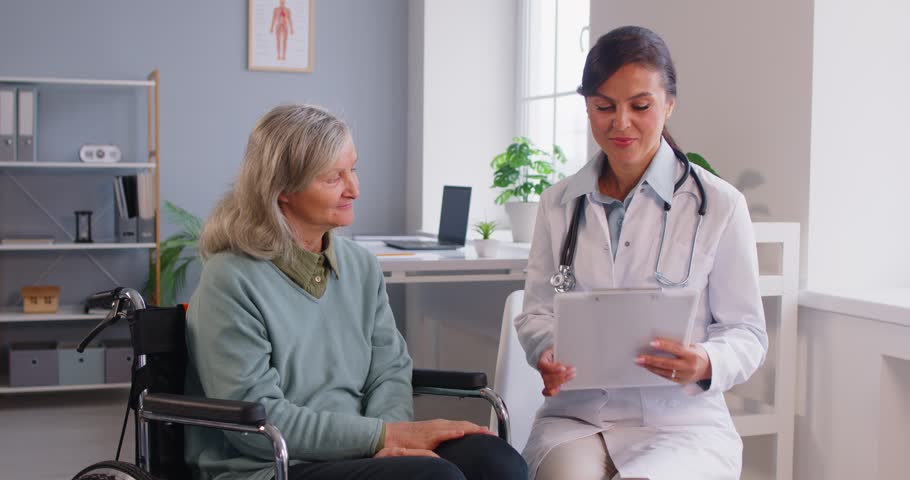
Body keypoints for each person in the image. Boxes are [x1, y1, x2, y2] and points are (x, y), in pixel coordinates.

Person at [185, 104, 527, 480]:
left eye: (353, 169)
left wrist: (391, 443)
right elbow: (257, 426)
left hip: (363, 449)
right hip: (274, 465)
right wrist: (381, 437)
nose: (355, 189)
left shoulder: (360, 266)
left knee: (498, 463)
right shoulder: (231, 280)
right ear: (282, 191)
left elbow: (389, 371)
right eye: (334, 178)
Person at [515, 26, 768, 480]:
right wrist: (548, 351)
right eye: (604, 107)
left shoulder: (720, 205)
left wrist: (706, 362)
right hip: (579, 419)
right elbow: (536, 312)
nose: (621, 123)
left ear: (669, 103)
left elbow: (747, 332)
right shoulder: (558, 204)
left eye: (641, 105)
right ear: (588, 106)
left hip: (682, 424)